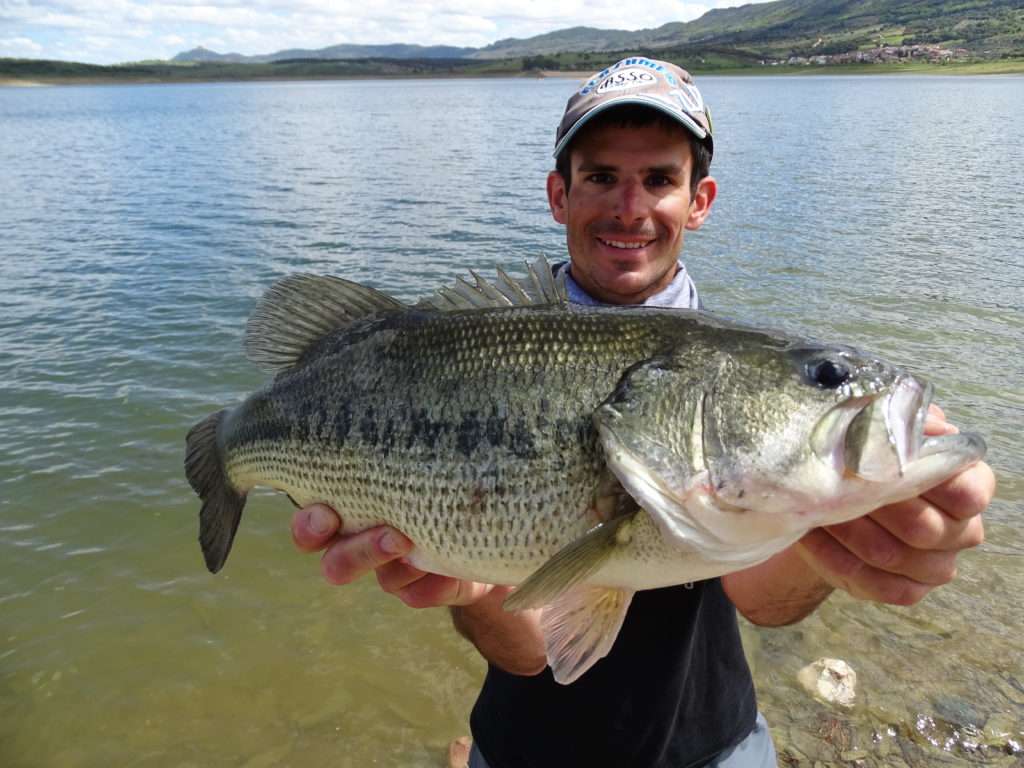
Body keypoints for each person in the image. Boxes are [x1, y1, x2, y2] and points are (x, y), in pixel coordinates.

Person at [290, 57, 995, 767]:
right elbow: (530, 649)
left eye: (660, 179)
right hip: (523, 748)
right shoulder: (510, 347)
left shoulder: (726, 360)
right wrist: (466, 586)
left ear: (700, 200)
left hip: (713, 744)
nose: (630, 206)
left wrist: (849, 531)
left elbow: (765, 602)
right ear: (558, 195)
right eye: (601, 177)